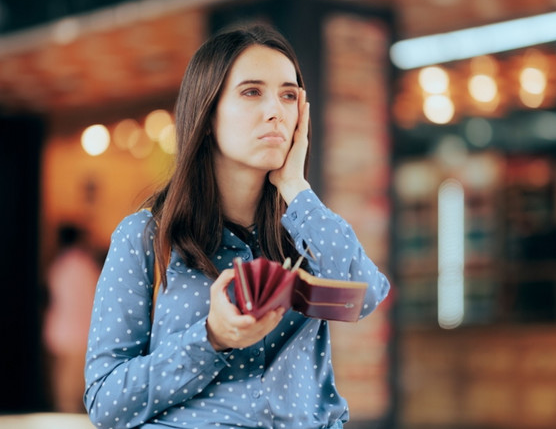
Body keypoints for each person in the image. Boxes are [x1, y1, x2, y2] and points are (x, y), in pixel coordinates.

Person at [84, 23, 390, 429]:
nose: (275, 111)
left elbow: (364, 297)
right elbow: (105, 402)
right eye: (251, 92)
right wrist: (211, 338)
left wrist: (296, 187)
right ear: (207, 115)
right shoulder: (146, 238)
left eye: (289, 95)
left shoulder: (304, 234)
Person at [43, 223, 99, 413]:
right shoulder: (82, 264)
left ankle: (64, 412)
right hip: (78, 329)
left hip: (62, 328)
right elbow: (93, 298)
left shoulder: (58, 264)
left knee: (62, 377)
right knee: (74, 381)